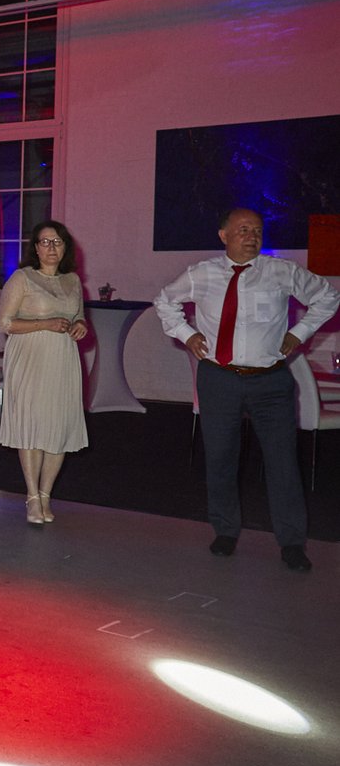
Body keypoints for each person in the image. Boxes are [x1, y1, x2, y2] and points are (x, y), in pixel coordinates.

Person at [154, 207, 339, 571]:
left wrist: (299, 333)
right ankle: (225, 530)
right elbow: (164, 300)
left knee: (283, 462)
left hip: (270, 381)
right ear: (223, 235)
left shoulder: (281, 271)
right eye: (242, 230)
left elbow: (328, 297)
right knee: (221, 458)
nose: (251, 236)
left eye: (256, 230)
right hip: (219, 378)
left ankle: (292, 542)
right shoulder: (202, 273)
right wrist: (186, 334)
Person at [0, 220, 89, 526]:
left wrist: (80, 325)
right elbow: (5, 323)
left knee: (58, 428)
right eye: (45, 242)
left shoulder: (73, 281)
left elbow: (79, 316)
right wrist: (45, 324)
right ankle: (32, 495)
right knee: (32, 425)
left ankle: (46, 494)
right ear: (35, 248)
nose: (51, 248)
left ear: (65, 247)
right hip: (29, 358)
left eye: (57, 242)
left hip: (63, 359)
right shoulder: (22, 278)